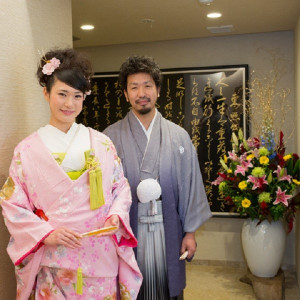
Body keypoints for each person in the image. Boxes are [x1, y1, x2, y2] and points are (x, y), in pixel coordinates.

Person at [0, 48, 142, 300]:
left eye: (77, 96)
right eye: (62, 94)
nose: (69, 104)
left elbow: (120, 188)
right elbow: (13, 204)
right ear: (46, 93)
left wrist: (116, 216)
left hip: (99, 255)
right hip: (54, 256)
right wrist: (46, 234)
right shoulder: (28, 150)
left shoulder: (101, 143)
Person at [104, 55, 212, 299]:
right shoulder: (109, 138)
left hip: (169, 231)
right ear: (125, 94)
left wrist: (191, 233)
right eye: (134, 87)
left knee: (168, 289)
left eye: (148, 86)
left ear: (158, 90)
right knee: (130, 291)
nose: (141, 93)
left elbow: (190, 186)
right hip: (128, 231)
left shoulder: (179, 136)